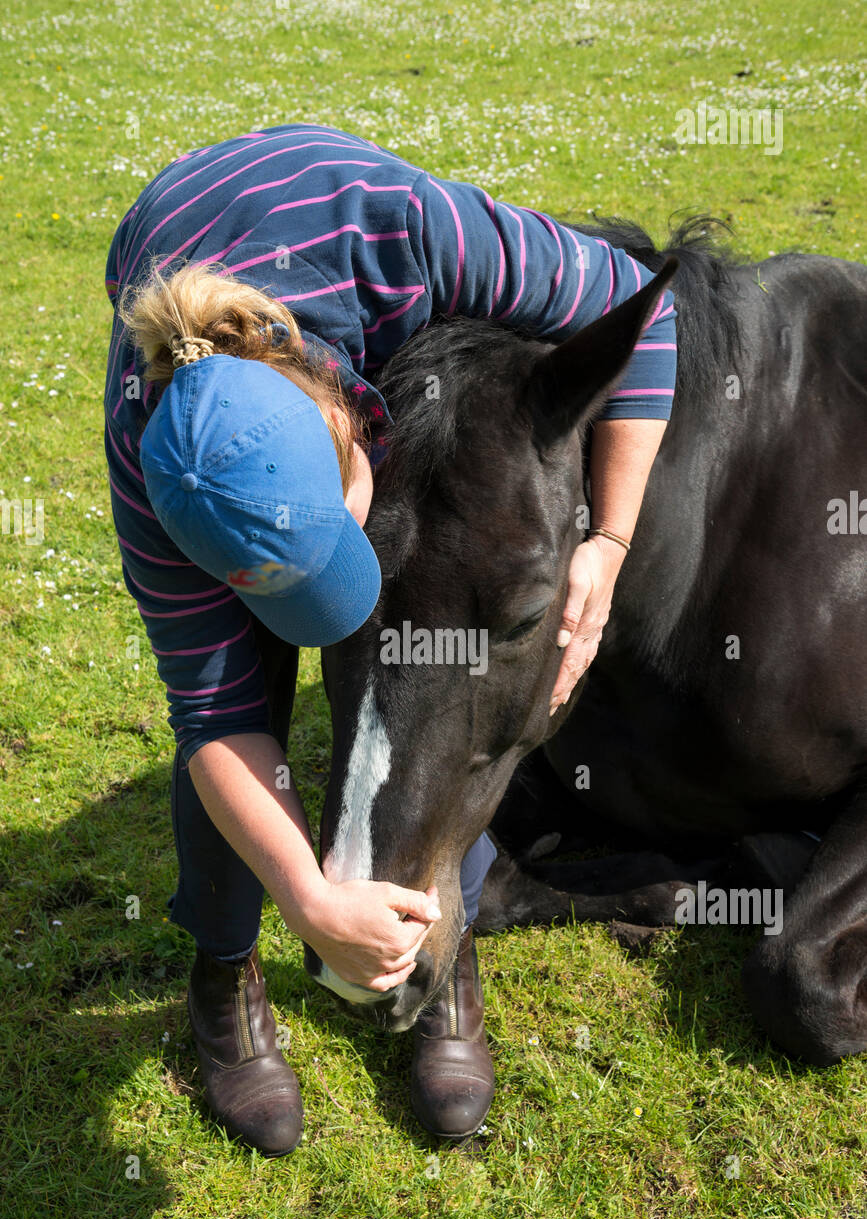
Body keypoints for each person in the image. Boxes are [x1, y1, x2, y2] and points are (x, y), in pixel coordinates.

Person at [103, 121, 677, 1154]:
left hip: (325, 252)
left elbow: (649, 308)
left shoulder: (411, 236)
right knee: (242, 702)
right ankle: (223, 973)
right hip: (203, 279)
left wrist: (612, 541)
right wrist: (305, 895)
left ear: (346, 410)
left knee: (436, 645)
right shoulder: (154, 474)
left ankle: (442, 936)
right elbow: (216, 718)